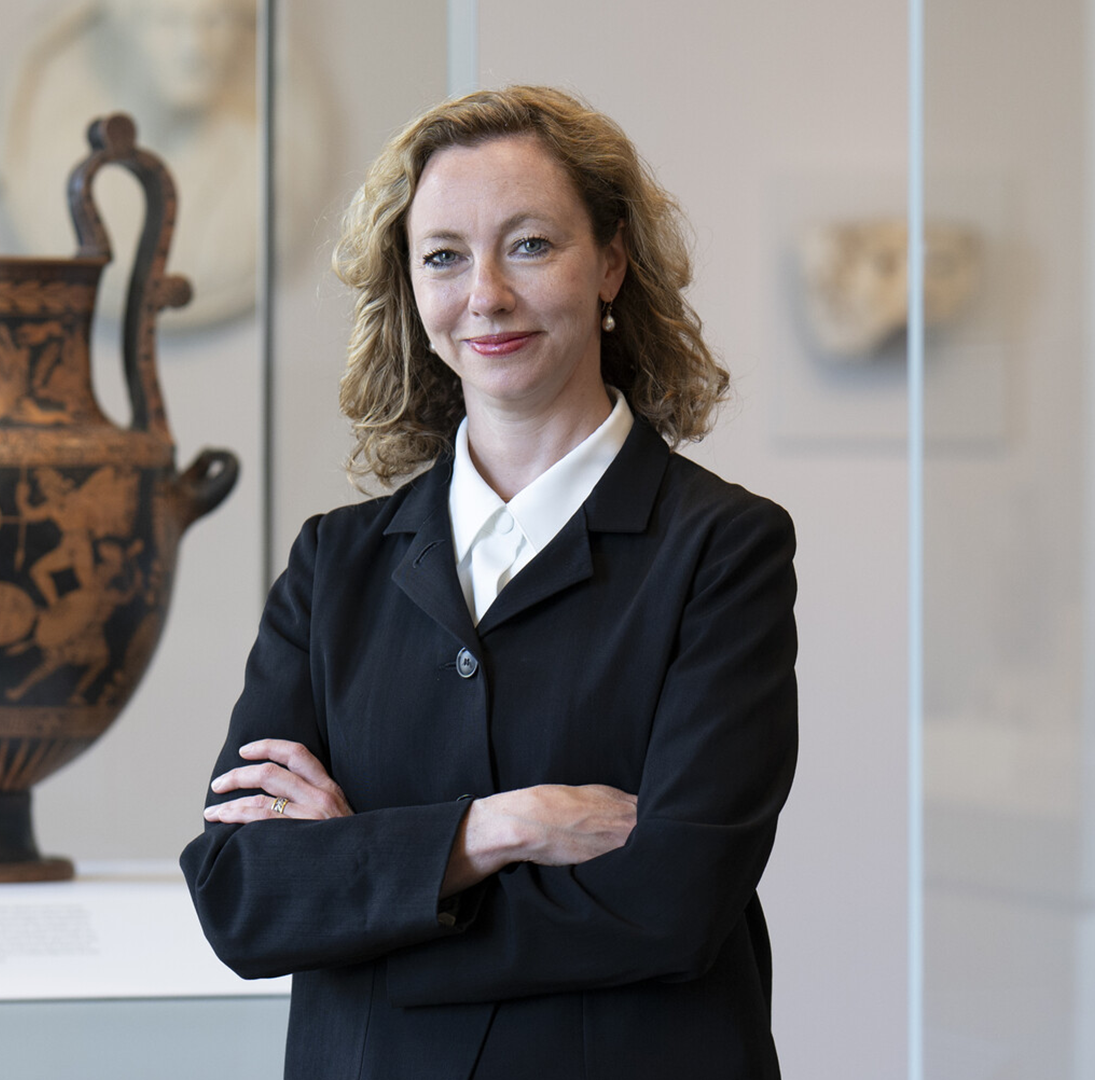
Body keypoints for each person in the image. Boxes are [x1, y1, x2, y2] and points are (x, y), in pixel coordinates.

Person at [180, 86, 797, 1080]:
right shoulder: (333, 564)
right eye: (443, 256)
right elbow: (243, 897)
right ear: (410, 288)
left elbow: (673, 906)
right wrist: (502, 828)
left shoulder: (723, 551)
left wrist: (373, 886)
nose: (485, 297)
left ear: (612, 261)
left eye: (529, 245)